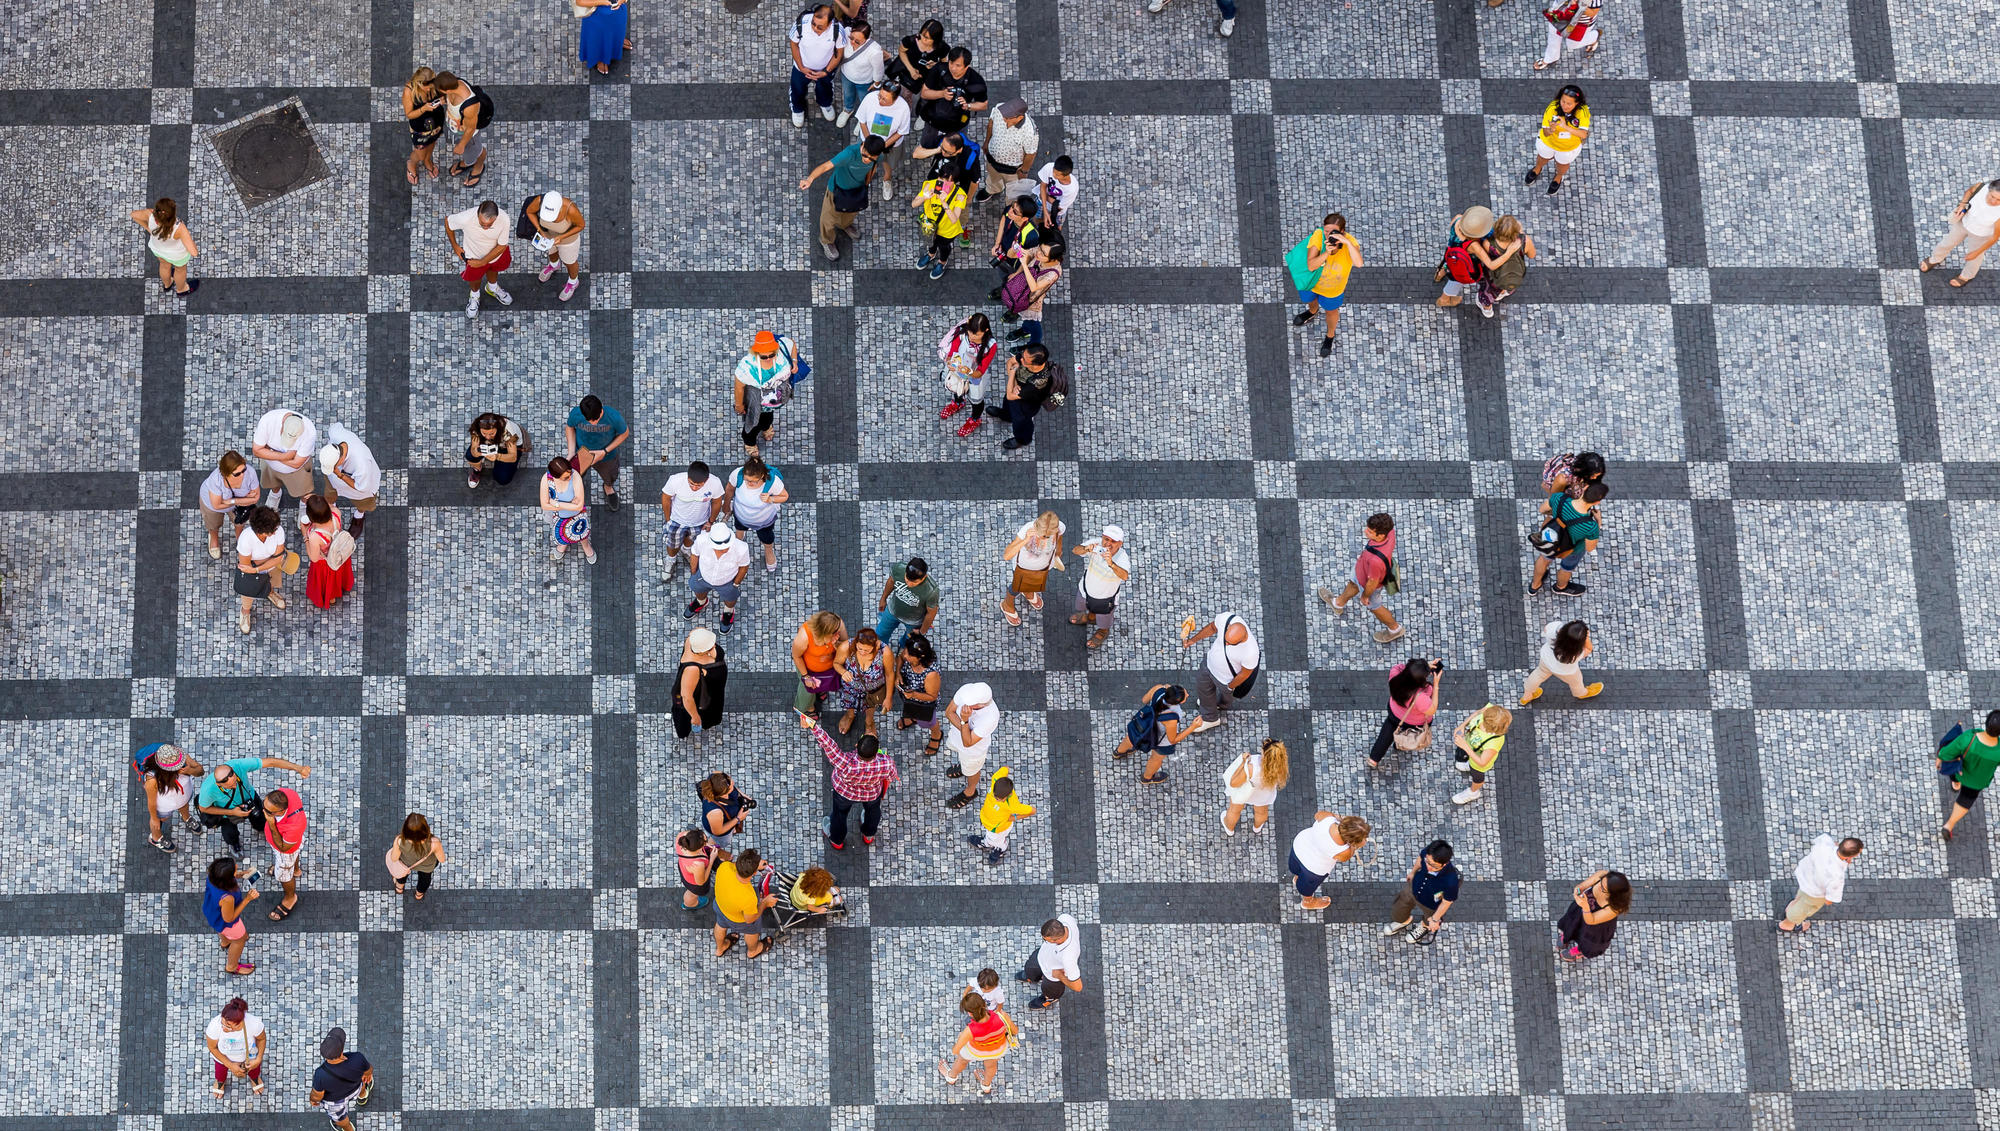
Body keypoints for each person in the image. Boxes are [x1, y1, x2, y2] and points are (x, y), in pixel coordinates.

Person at [804, 712, 901, 849]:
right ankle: (868, 834)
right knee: (873, 812)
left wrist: (813, 727)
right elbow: (891, 776)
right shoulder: (886, 762)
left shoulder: (845, 762)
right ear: (876, 752)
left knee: (839, 815)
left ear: (856, 745)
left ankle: (837, 840)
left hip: (844, 794)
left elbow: (828, 744)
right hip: (872, 794)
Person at [197, 755, 312, 855]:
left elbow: (271, 762)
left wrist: (299, 768)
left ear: (233, 771)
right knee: (230, 834)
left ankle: (262, 829)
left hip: (250, 800)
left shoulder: (238, 765)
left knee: (261, 821)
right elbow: (203, 808)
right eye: (230, 787)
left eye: (235, 782)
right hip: (228, 813)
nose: (235, 786)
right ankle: (234, 844)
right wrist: (232, 812)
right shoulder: (208, 790)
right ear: (219, 784)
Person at [1317, 512, 1403, 643]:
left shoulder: (1375, 561)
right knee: (1353, 583)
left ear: (1380, 535)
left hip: (1369, 582)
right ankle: (1338, 603)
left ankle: (1395, 629)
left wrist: (1365, 596)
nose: (1365, 531)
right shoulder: (1389, 532)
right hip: (1361, 571)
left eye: (1370, 531)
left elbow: (1372, 583)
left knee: (1375, 607)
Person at [800, 134, 885, 261]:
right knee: (828, 219)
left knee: (850, 213)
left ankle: (844, 224)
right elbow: (826, 166)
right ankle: (826, 240)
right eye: (865, 155)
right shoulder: (849, 154)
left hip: (856, 191)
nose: (867, 160)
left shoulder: (878, 156)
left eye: (871, 158)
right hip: (837, 190)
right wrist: (810, 179)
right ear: (863, 145)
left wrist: (867, 183)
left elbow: (873, 167)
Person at [1290, 213, 1361, 356]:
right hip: (1311, 283)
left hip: (1333, 289)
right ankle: (1312, 312)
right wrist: (1326, 253)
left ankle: (1330, 335)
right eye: (1326, 230)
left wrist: (1346, 243)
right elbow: (1311, 266)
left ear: (1342, 231)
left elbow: (1359, 263)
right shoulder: (1319, 235)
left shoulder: (1350, 242)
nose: (1328, 235)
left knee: (1331, 311)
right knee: (1310, 300)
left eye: (1333, 231)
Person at [1183, 612, 1259, 734]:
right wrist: (1192, 640)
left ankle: (1220, 705)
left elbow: (1245, 674)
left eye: (1230, 644)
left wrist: (1230, 686)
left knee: (1227, 695)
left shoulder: (1251, 652)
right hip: (1209, 665)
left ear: (1241, 640)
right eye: (1225, 641)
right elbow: (1212, 628)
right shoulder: (1227, 619)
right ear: (1228, 627)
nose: (1226, 644)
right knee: (1203, 688)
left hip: (1226, 679)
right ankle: (1210, 717)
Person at [1528, 482, 1606, 596]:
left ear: (1584, 489)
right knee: (1566, 568)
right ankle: (1560, 587)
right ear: (1597, 502)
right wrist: (1598, 522)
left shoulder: (1559, 498)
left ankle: (1534, 586)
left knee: (1544, 559)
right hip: (1572, 549)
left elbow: (1542, 510)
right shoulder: (1590, 526)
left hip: (1552, 538)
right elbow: (1590, 547)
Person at [1921, 178, 2000, 288]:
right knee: (1947, 242)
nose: (1993, 201)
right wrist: (1962, 204)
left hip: (1981, 235)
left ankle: (1966, 276)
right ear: (1989, 189)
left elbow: (1994, 237)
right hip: (1963, 223)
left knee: (1975, 259)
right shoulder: (1981, 187)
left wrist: (1976, 252)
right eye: (1992, 196)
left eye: (1998, 200)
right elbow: (1969, 192)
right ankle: (1935, 259)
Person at [1364, 657, 1441, 769]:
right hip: (1414, 722)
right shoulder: (1420, 697)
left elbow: (1402, 668)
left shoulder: (1395, 675)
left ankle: (1374, 759)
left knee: (1386, 733)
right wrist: (1436, 685)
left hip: (1394, 713)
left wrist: (1420, 668)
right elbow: (1432, 709)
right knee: (1406, 733)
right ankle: (1399, 744)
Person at [938, 991, 1018, 1095]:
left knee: (961, 1060)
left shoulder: (970, 1030)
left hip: (975, 1051)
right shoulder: (1002, 1016)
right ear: (984, 1004)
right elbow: (1015, 1031)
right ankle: (986, 1085)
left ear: (970, 1013)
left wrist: (960, 1038)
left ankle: (951, 1077)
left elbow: (955, 1050)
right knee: (991, 1066)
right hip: (997, 1050)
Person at [1112, 683, 1193, 786]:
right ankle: (1147, 778)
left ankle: (1118, 752)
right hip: (1160, 740)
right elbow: (1173, 739)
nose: (1188, 695)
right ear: (1177, 702)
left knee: (1130, 739)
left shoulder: (1158, 689)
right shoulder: (1172, 717)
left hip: (1143, 726)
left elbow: (1144, 700)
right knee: (1156, 758)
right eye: (1185, 695)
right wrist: (1192, 727)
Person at [732, 331, 799, 453]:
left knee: (767, 418)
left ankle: (766, 427)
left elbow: (791, 344)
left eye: (771, 355)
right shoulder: (747, 366)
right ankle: (750, 443)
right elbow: (739, 387)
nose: (768, 359)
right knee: (752, 424)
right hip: (755, 402)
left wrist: (794, 361)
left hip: (771, 403)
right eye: (764, 356)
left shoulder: (781, 350)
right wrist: (739, 405)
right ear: (756, 353)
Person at [1383, 839, 1459, 945]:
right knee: (1399, 907)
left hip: (1431, 903)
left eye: (1434, 866)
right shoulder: (1428, 854)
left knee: (1429, 918)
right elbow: (1420, 859)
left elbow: (1446, 902)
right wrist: (1413, 872)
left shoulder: (1451, 882)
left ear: (1444, 864)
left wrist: (1434, 920)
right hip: (1414, 887)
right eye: (1427, 862)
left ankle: (1424, 926)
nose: (1428, 867)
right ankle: (1403, 921)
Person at [1288, 812, 1370, 911]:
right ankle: (1308, 902)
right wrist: (1355, 846)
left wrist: (1341, 818)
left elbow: (1317, 815)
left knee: (1295, 868)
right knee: (1307, 887)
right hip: (1313, 868)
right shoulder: (1344, 851)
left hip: (1299, 847)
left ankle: (1298, 877)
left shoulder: (1327, 818)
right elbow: (1345, 858)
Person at [936, 313, 1001, 436]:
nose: (971, 337)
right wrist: (950, 362)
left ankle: (975, 419)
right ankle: (958, 402)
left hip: (975, 377)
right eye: (970, 332)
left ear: (986, 330)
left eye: (976, 334)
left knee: (976, 400)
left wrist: (969, 372)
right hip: (958, 371)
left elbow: (980, 371)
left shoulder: (991, 346)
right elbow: (952, 352)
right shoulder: (962, 333)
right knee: (956, 388)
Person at [1780, 835, 1863, 931]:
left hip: (1805, 877)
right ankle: (1787, 924)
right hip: (1814, 893)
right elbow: (1829, 900)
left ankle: (1793, 906)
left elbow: (1823, 840)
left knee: (1800, 896)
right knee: (1803, 909)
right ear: (1852, 856)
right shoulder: (1837, 875)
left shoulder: (1825, 843)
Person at [445, 200, 512, 317]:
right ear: (477, 214)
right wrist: (455, 246)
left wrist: (483, 262)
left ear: (496, 218)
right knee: (475, 278)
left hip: (495, 255)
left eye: (489, 225)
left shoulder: (504, 219)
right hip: (474, 256)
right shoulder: (466, 218)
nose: (485, 227)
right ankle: (474, 295)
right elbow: (448, 222)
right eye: (482, 224)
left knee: (493, 270)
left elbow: (502, 246)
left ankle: (492, 288)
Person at [1069, 525, 1132, 650]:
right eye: (1106, 539)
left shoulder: (1122, 558)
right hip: (1086, 589)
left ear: (1120, 544)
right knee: (1085, 606)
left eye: (1113, 541)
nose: (1108, 543)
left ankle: (1103, 631)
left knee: (1104, 618)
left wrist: (1111, 564)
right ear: (1102, 537)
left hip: (1106, 597)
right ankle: (1091, 618)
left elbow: (1124, 576)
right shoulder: (1096, 544)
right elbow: (1075, 550)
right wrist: (1086, 549)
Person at [660, 460, 726, 578]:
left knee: (691, 539)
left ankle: (686, 550)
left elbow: (717, 502)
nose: (694, 488)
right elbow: (666, 499)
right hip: (677, 521)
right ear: (688, 477)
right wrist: (668, 519)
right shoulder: (675, 480)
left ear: (706, 480)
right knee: (672, 544)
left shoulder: (715, 483)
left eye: (699, 485)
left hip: (700, 522)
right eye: (691, 483)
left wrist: (710, 521)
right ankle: (671, 559)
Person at [1940, 712, 2000, 841]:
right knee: (1966, 799)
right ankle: (1949, 825)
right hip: (1976, 781)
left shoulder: (1969, 738)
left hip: (1960, 771)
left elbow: (1947, 753)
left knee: (1954, 772)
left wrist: (1940, 757)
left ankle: (1956, 782)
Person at [941, 682, 1000, 809]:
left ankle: (970, 792)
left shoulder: (991, 717)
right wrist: (966, 730)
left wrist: (964, 720)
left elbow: (968, 743)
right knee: (964, 763)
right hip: (956, 738)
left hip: (973, 751)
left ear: (981, 705)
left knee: (972, 771)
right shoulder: (966, 690)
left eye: (970, 703)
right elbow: (949, 712)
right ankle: (963, 768)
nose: (965, 703)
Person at [565, 394, 630, 511]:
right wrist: (571, 452)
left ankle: (608, 487)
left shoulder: (613, 416)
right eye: (589, 420)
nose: (593, 423)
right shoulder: (576, 413)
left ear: (601, 410)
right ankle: (578, 486)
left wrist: (605, 451)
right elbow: (570, 428)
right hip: (582, 453)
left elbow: (624, 433)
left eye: (596, 419)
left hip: (606, 456)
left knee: (610, 475)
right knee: (576, 475)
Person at [915, 47, 989, 150]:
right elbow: (924, 94)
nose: (953, 68)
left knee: (955, 149)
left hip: (958, 124)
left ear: (967, 66)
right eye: (951, 63)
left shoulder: (976, 81)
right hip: (933, 120)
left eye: (958, 65)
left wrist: (967, 105)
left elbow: (984, 105)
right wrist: (942, 94)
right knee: (927, 146)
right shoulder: (939, 69)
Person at [1001, 511, 1065, 626]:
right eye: (1043, 536)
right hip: (1023, 568)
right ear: (1036, 527)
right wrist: (1026, 539)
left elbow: (1059, 539)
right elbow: (1007, 555)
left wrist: (1058, 551)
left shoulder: (1059, 527)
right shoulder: (1027, 530)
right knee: (1015, 588)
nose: (1045, 539)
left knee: (1035, 583)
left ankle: (1028, 592)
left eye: (1048, 536)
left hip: (1043, 567)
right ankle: (1007, 604)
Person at [317, 422, 379, 539]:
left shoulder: (361, 464)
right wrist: (334, 472)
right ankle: (332, 511)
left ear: (341, 459)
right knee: (329, 495)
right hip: (333, 480)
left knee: (362, 503)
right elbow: (335, 426)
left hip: (357, 490)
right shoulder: (336, 433)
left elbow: (361, 487)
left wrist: (340, 475)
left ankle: (359, 515)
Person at [233, 505, 289, 636]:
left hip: (264, 568)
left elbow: (278, 557)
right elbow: (245, 566)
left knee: (271, 582)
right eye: (271, 531)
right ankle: (245, 611)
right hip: (255, 572)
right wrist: (271, 560)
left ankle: (269, 593)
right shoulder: (246, 539)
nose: (275, 532)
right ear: (260, 531)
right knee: (248, 594)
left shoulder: (277, 529)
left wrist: (257, 568)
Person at [686, 522, 752, 633]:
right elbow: (694, 554)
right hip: (703, 576)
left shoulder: (741, 548)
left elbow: (744, 567)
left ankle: (728, 611)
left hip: (727, 581)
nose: (724, 549)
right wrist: (694, 573)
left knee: (730, 598)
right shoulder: (702, 540)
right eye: (720, 548)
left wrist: (735, 584)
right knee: (698, 590)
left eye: (726, 546)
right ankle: (701, 602)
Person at [713, 847, 778, 958]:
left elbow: (734, 864)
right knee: (751, 930)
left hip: (720, 906)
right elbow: (750, 919)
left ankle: (720, 949)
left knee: (720, 925)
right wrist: (765, 903)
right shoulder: (749, 897)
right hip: (737, 920)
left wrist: (753, 864)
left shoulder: (724, 867)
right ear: (754, 873)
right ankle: (753, 951)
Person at [850, 81, 911, 199]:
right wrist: (869, 143)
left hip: (891, 145)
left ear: (895, 99)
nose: (880, 101)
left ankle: (887, 179)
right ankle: (862, 179)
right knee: (864, 161)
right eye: (880, 96)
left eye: (885, 99)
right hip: (867, 141)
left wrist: (882, 146)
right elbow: (862, 121)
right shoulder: (870, 98)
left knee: (888, 163)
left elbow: (901, 132)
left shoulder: (903, 108)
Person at [140, 744, 205, 852]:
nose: (180, 766)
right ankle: (156, 838)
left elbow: (200, 771)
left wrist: (189, 770)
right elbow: (151, 802)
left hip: (182, 797)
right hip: (164, 806)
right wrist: (155, 818)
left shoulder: (179, 757)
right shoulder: (152, 780)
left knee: (184, 806)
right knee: (159, 821)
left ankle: (187, 818)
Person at [727, 457, 788, 572]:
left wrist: (771, 499)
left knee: (766, 537)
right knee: (739, 529)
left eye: (753, 481)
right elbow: (729, 489)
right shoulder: (738, 474)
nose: (749, 483)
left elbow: (784, 496)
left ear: (762, 476)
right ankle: (738, 541)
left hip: (764, 520)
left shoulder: (772, 481)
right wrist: (726, 505)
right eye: (746, 480)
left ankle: (769, 551)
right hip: (741, 514)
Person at [1527, 85, 1590, 194]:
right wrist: (1551, 130)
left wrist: (1565, 126)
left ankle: (1558, 177)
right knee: (1542, 158)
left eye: (1569, 104)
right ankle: (1537, 169)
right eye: (1563, 101)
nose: (1564, 106)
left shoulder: (1582, 111)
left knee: (1562, 165)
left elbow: (1583, 134)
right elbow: (1545, 132)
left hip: (1568, 147)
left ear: (1577, 103)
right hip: (1549, 142)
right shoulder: (1553, 107)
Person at [199, 450, 261, 561]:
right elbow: (216, 505)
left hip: (234, 504)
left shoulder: (250, 473)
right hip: (211, 505)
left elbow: (256, 498)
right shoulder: (216, 480)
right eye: (237, 474)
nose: (243, 475)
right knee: (213, 524)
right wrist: (243, 499)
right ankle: (214, 538)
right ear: (226, 474)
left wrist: (231, 501)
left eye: (244, 470)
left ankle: (240, 539)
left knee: (239, 522)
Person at [788, 3, 844, 127]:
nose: (814, 28)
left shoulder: (838, 30)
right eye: (813, 23)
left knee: (825, 88)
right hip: (801, 68)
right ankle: (797, 109)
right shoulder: (801, 24)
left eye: (820, 27)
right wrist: (801, 67)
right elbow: (794, 44)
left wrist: (826, 71)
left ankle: (825, 104)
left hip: (824, 69)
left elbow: (839, 53)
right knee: (797, 89)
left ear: (829, 23)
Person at [434, 71, 494, 187]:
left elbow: (470, 129)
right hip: (456, 128)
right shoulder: (455, 84)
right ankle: (467, 163)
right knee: (470, 153)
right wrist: (444, 100)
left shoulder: (470, 106)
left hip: (470, 137)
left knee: (477, 151)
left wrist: (461, 145)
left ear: (447, 90)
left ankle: (478, 167)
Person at [131, 196, 198, 297]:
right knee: (180, 270)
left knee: (164, 265)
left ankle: (167, 284)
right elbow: (194, 252)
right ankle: (181, 289)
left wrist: (148, 229)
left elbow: (133, 215)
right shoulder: (179, 227)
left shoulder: (150, 214)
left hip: (158, 250)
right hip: (177, 255)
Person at [998, 341, 1060, 449]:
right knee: (1007, 404)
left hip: (1027, 405)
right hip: (1017, 392)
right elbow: (1010, 362)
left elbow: (1010, 396)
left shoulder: (1038, 383)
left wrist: (1012, 374)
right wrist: (1015, 385)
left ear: (1036, 365)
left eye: (1024, 360)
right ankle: (1006, 416)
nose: (1021, 359)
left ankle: (1022, 440)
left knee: (1021, 423)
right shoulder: (1027, 356)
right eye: (1022, 355)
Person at [1521, 620, 1601, 704]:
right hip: (1565, 671)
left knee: (1538, 674)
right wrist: (1586, 638)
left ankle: (1527, 696)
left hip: (1546, 659)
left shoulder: (1554, 629)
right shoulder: (1575, 654)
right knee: (1576, 682)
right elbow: (1588, 649)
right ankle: (1581, 693)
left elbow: (1546, 628)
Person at [259, 786, 308, 921]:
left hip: (286, 850)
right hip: (294, 842)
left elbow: (283, 848)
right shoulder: (285, 794)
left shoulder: (294, 826)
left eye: (269, 812)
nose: (264, 812)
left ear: (281, 811)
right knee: (295, 853)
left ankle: (290, 898)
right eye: (264, 806)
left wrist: (271, 824)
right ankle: (296, 870)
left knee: (283, 876)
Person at [310, 1027, 373, 1131]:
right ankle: (362, 1097)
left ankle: (348, 1129)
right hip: (355, 1088)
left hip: (335, 1102)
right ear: (342, 1049)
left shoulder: (320, 1074)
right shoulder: (357, 1058)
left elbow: (317, 1095)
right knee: (361, 1083)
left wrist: (313, 1100)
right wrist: (367, 1075)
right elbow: (368, 1070)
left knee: (340, 1118)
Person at [527, 190, 587, 301]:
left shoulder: (570, 209)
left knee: (569, 262)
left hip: (568, 241)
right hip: (549, 236)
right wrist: (540, 230)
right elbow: (529, 212)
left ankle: (573, 282)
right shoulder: (539, 201)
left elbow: (581, 225)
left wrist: (561, 237)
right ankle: (554, 265)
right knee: (552, 253)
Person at [968, 766, 1035, 865]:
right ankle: (989, 843)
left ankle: (999, 848)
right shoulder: (996, 778)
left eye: (998, 799)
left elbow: (1032, 811)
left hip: (997, 828)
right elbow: (1005, 768)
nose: (995, 799)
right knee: (992, 838)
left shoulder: (1012, 805)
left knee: (996, 840)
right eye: (995, 795)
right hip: (988, 820)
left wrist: (1013, 818)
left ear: (1007, 796)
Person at [1221, 737, 1288, 836]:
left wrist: (1243, 762)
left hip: (1245, 793)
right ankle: (1257, 828)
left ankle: (1229, 828)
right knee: (1261, 812)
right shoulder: (1280, 767)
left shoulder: (1252, 767)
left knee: (1234, 810)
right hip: (1263, 794)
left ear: (1265, 755)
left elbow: (1233, 783)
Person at [251, 408, 317, 507]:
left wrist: (269, 451)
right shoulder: (268, 421)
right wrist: (286, 456)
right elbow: (256, 451)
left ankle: (303, 504)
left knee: (303, 490)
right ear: (282, 423)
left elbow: (297, 464)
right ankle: (275, 495)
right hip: (270, 467)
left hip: (297, 471)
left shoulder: (309, 432)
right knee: (273, 483)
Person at [203, 859, 259, 976]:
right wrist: (247, 899)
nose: (237, 866)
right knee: (240, 939)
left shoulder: (213, 877)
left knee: (221, 928)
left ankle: (225, 942)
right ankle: (232, 967)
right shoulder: (227, 898)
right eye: (235, 869)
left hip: (212, 912)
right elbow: (229, 919)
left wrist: (241, 874)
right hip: (226, 921)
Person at [833, 628, 893, 737]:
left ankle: (869, 722)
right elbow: (836, 663)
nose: (862, 652)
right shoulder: (846, 647)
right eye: (860, 648)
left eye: (867, 650)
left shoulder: (885, 652)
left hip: (873, 691)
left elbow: (889, 674)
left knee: (871, 707)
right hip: (850, 688)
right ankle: (850, 716)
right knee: (849, 703)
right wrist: (843, 672)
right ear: (856, 642)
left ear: (875, 646)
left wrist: (888, 698)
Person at [1001, 242, 1063, 345]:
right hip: (1020, 289)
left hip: (1031, 303)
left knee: (1033, 324)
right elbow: (1011, 255)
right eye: (1040, 249)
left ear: (1053, 259)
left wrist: (1025, 265)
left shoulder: (1053, 273)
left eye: (1043, 253)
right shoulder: (1038, 252)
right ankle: (1020, 320)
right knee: (1021, 312)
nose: (1038, 253)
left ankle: (1032, 343)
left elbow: (1034, 287)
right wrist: (1014, 250)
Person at [914, 170, 972, 281]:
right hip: (930, 226)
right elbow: (913, 204)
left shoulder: (959, 195)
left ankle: (942, 262)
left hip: (947, 230)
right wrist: (925, 197)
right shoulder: (930, 185)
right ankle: (931, 254)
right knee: (931, 241)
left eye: (948, 181)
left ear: (954, 182)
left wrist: (944, 202)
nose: (942, 183)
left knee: (944, 247)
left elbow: (954, 219)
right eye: (941, 179)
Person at [979, 98, 1038, 204]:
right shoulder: (999, 109)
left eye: (1007, 118)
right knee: (993, 178)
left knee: (1014, 192)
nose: (1003, 118)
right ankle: (993, 189)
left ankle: (1010, 206)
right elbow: (991, 124)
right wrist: (986, 142)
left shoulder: (1029, 132)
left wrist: (1024, 171)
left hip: (1012, 170)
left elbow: (1031, 154)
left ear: (1020, 117)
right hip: (992, 159)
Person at [672, 627, 728, 739]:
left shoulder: (693, 638)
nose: (714, 646)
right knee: (704, 711)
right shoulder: (692, 669)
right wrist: (695, 717)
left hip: (713, 689)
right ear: (701, 652)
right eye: (710, 647)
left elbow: (697, 630)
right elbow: (686, 697)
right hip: (702, 694)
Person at [540, 457, 598, 565]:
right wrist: (570, 504)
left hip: (576, 515)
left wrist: (555, 503)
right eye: (566, 477)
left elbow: (579, 507)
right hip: (557, 517)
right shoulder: (546, 479)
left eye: (570, 473)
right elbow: (544, 505)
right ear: (555, 476)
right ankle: (564, 543)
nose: (570, 477)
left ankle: (586, 545)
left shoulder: (575, 475)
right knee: (562, 534)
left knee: (582, 533)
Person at [1451, 704, 1513, 805]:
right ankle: (1468, 764)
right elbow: (1477, 713)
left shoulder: (1493, 743)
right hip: (1471, 748)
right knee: (1466, 759)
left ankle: (1473, 792)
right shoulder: (1490, 712)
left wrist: (1464, 746)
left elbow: (1482, 762)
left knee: (1477, 778)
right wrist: (1462, 726)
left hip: (1477, 764)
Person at [1018, 914, 1082, 1010]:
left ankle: (1049, 999)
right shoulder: (1065, 918)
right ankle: (1031, 977)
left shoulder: (1069, 958)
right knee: (1030, 969)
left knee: (1050, 992)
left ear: (1056, 940)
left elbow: (1078, 987)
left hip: (1052, 977)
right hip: (1041, 957)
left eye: (1046, 940)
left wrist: (1060, 976)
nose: (1044, 940)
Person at [1434, 206, 1494, 308]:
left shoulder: (1458, 219)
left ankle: (1440, 274)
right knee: (1456, 280)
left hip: (1451, 252)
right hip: (1462, 263)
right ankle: (1444, 299)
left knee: (1449, 265)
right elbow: (1490, 264)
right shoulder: (1474, 245)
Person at [792, 611, 848, 720]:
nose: (838, 634)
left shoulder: (837, 624)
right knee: (808, 692)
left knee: (823, 684)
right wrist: (806, 676)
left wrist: (837, 645)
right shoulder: (804, 636)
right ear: (823, 634)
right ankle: (809, 708)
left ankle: (820, 690)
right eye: (834, 633)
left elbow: (846, 646)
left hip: (829, 668)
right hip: (808, 670)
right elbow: (796, 656)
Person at [301, 495, 353, 610]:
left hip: (325, 563)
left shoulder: (315, 536)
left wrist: (305, 535)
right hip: (339, 553)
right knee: (337, 574)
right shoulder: (336, 513)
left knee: (328, 580)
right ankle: (337, 590)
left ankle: (330, 597)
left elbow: (314, 558)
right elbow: (328, 506)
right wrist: (317, 501)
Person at [1476, 215, 1536, 315]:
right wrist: (1521, 235)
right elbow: (1532, 255)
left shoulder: (1488, 244)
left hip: (1494, 275)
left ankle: (1487, 308)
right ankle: (1504, 292)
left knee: (1489, 291)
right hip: (1514, 272)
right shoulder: (1525, 241)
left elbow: (1487, 260)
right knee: (1508, 283)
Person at [206, 997, 265, 1097]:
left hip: (249, 1056)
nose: (223, 1028)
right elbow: (212, 1048)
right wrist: (230, 1065)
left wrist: (258, 1059)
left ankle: (254, 1078)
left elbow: (261, 1039)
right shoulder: (214, 1026)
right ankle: (220, 1081)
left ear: (239, 1024)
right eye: (222, 1023)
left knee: (254, 1069)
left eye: (228, 1026)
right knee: (220, 1072)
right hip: (223, 1057)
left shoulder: (254, 1024)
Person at [876, 557, 940, 650]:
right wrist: (883, 599)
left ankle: (903, 649)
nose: (909, 584)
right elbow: (891, 581)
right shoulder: (899, 569)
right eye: (907, 579)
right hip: (892, 611)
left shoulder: (931, 591)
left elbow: (931, 613)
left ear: (924, 577)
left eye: (914, 582)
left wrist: (922, 632)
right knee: (881, 633)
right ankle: (880, 648)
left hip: (914, 622)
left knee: (909, 640)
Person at [988, 196, 1041, 301]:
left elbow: (1028, 258)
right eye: (1013, 206)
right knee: (1003, 276)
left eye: (1015, 212)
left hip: (1016, 265)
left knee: (1014, 283)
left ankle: (1009, 297)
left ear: (1025, 218)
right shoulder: (1011, 210)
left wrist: (1017, 273)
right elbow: (1003, 220)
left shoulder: (1031, 235)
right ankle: (1004, 287)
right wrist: (997, 243)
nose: (1010, 211)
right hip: (1002, 255)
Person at [835, 21, 886, 127]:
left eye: (857, 41)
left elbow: (878, 69)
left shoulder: (875, 51)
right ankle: (848, 110)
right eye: (851, 38)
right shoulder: (846, 31)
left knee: (864, 100)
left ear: (866, 40)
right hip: (846, 75)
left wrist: (876, 83)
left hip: (864, 81)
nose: (852, 42)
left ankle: (863, 117)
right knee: (848, 94)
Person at [402, 67, 446, 184]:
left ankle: (427, 161)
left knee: (432, 144)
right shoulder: (409, 91)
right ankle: (412, 163)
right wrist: (424, 108)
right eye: (427, 88)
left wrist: (442, 100)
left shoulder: (435, 84)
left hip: (436, 124)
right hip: (420, 128)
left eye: (431, 87)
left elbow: (447, 94)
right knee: (420, 154)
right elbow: (409, 114)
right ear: (419, 83)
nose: (429, 90)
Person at [387, 812, 446, 899]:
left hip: (406, 863)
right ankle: (419, 894)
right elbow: (442, 859)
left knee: (402, 874)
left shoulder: (399, 840)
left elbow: (394, 858)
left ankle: (399, 888)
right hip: (427, 866)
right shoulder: (434, 842)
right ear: (425, 829)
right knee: (425, 879)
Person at [465, 412, 527, 489]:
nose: (487, 437)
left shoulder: (510, 432)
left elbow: (513, 457)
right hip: (493, 443)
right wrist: (477, 453)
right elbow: (473, 449)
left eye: (492, 433)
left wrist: (498, 456)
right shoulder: (476, 427)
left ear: (498, 429)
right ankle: (477, 470)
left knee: (502, 478)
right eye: (484, 433)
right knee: (470, 456)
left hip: (507, 447)